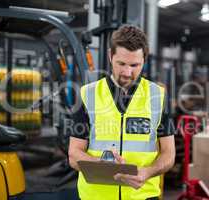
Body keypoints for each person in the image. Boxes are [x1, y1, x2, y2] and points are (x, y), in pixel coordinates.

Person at [68, 25, 175, 200]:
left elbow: (169, 154)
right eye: (121, 63)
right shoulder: (88, 95)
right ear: (110, 56)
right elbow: (74, 154)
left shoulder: (158, 97)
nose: (127, 72)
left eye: (134, 65)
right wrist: (101, 165)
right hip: (96, 197)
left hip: (143, 196)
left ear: (144, 60)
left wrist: (148, 172)